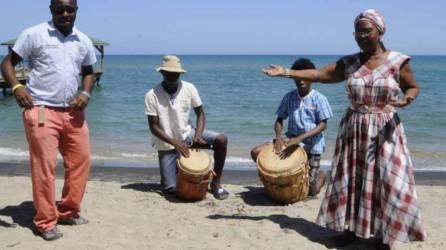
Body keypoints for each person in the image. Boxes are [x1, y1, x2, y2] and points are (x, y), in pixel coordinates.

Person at [263, 9, 426, 249]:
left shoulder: (398, 61)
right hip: (355, 128)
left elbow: (412, 87)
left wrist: (408, 99)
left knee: (391, 182)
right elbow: (318, 74)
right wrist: (286, 72)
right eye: (357, 31)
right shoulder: (349, 63)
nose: (361, 35)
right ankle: (351, 230)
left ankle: (385, 236)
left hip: (386, 131)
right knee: (351, 179)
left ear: (380, 31)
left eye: (366, 30)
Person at [1, 0, 96, 241]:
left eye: (70, 9)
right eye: (59, 10)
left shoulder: (83, 40)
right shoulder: (34, 34)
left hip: (73, 112)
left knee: (81, 162)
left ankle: (67, 210)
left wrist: (85, 93)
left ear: (76, 11)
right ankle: (45, 222)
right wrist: (16, 86)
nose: (65, 14)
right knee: (44, 167)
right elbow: (7, 63)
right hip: (41, 109)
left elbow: (88, 72)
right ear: (51, 11)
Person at [145, 55, 230, 200]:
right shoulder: (151, 95)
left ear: (180, 74)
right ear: (162, 73)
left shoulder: (189, 88)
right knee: (170, 189)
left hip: (188, 135)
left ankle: (215, 183)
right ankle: (175, 170)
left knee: (221, 140)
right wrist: (175, 143)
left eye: (175, 74)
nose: (172, 77)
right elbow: (154, 127)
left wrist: (198, 134)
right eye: (168, 74)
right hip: (167, 144)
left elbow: (201, 113)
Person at [251, 58, 332, 198]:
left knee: (311, 192)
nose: (301, 81)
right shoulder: (289, 97)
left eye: (304, 77)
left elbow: (323, 125)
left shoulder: (320, 98)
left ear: (311, 78)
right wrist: (278, 138)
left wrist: (299, 139)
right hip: (290, 140)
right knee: (256, 152)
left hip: (312, 145)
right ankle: (271, 184)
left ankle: (322, 175)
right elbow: (279, 119)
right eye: (297, 77)